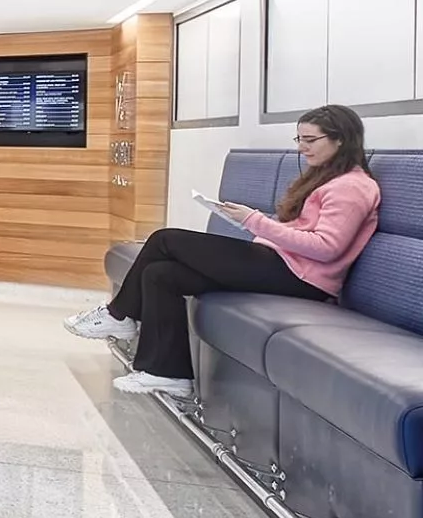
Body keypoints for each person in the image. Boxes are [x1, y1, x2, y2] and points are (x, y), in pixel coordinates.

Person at [66, 103, 380, 395]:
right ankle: (167, 373)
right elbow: (300, 232)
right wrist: (251, 223)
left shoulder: (352, 187)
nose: (302, 147)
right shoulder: (326, 180)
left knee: (165, 239)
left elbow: (326, 248)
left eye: (311, 140)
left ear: (341, 140)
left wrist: (256, 222)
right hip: (282, 265)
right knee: (161, 274)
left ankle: (118, 314)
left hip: (302, 279)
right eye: (300, 138)